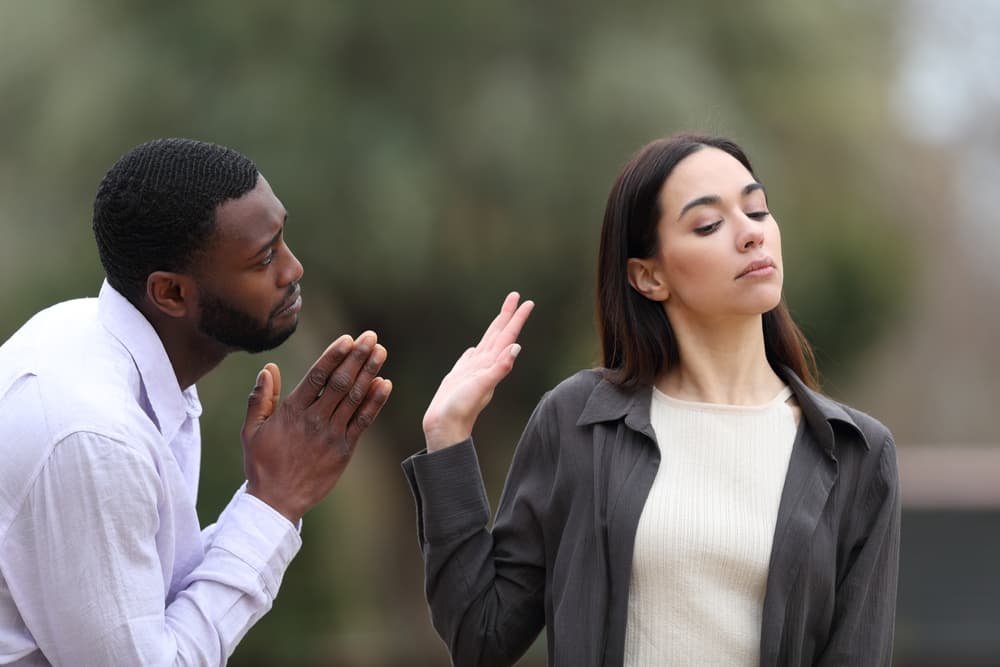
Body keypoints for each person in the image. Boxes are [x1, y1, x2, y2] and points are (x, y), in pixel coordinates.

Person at [403, 133, 900, 666]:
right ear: (648, 276)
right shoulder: (579, 422)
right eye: (709, 224)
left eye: (756, 210)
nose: (751, 234)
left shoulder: (855, 452)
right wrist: (447, 439)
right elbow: (481, 638)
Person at [0, 138, 392, 665]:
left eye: (283, 239)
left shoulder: (96, 338)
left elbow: (146, 600)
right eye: (264, 258)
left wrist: (265, 499)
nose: (293, 269)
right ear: (172, 294)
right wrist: (273, 503)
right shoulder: (95, 437)